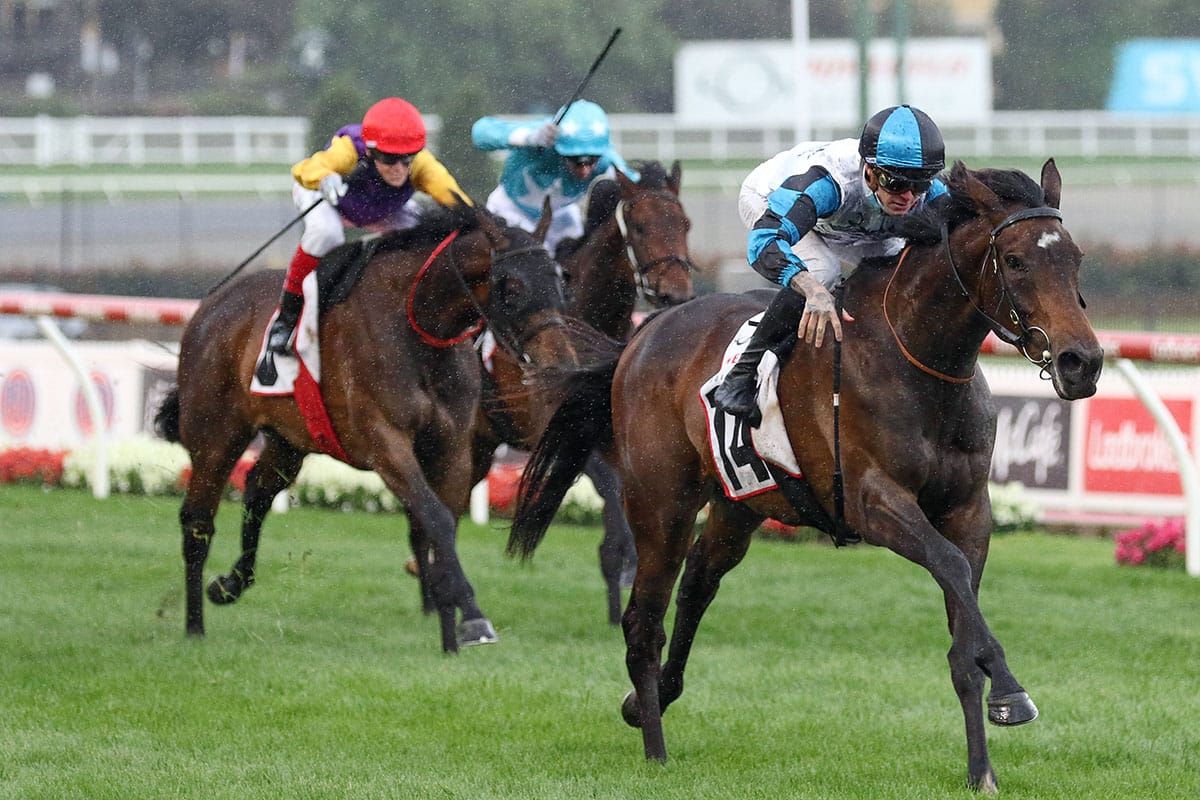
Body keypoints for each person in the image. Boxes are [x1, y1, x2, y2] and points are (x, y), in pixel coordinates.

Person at [713, 104, 950, 427]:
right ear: (868, 169)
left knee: (900, 271)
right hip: (772, 201)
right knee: (823, 272)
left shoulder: (928, 192)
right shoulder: (828, 181)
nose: (908, 196)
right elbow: (763, 243)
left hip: (849, 222)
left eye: (920, 184)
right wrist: (811, 289)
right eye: (895, 183)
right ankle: (742, 374)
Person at [264, 96, 472, 356]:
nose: (398, 168)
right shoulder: (350, 148)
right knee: (326, 234)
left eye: (406, 159)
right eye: (389, 159)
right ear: (371, 153)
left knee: (421, 238)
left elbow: (456, 199)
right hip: (327, 197)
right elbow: (305, 169)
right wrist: (325, 178)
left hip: (378, 210)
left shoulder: (422, 166)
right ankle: (286, 319)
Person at [471, 99, 637, 257]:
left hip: (561, 216)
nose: (585, 171)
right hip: (511, 211)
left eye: (592, 160)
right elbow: (480, 132)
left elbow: (640, 187)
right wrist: (528, 138)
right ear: (561, 150)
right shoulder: (543, 134)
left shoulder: (606, 157)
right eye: (576, 161)